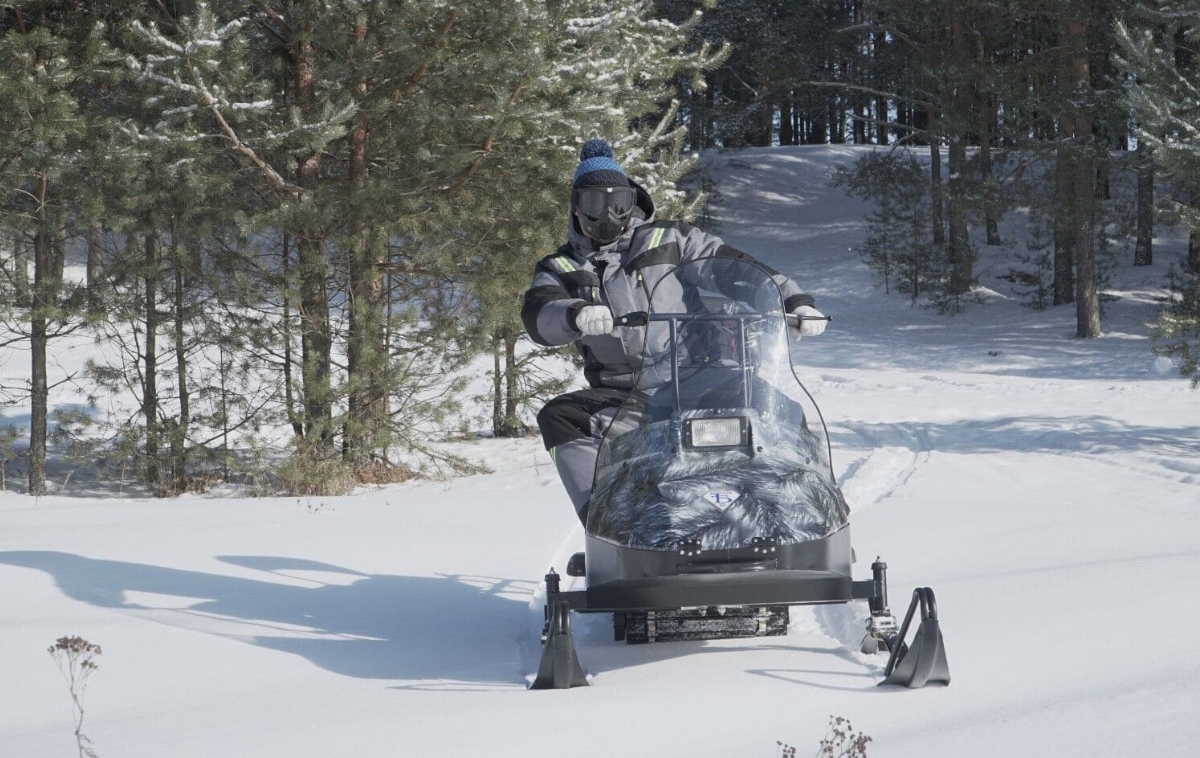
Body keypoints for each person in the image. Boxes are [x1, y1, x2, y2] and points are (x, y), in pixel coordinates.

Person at [521, 139, 826, 525]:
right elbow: (539, 314)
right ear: (577, 207)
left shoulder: (672, 241)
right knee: (561, 417)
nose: (608, 214)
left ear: (634, 202)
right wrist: (575, 313)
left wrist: (792, 300)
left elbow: (732, 269)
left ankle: (814, 512)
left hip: (701, 378)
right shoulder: (562, 266)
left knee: (783, 411)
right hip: (627, 396)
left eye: (619, 202)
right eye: (595, 203)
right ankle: (604, 523)